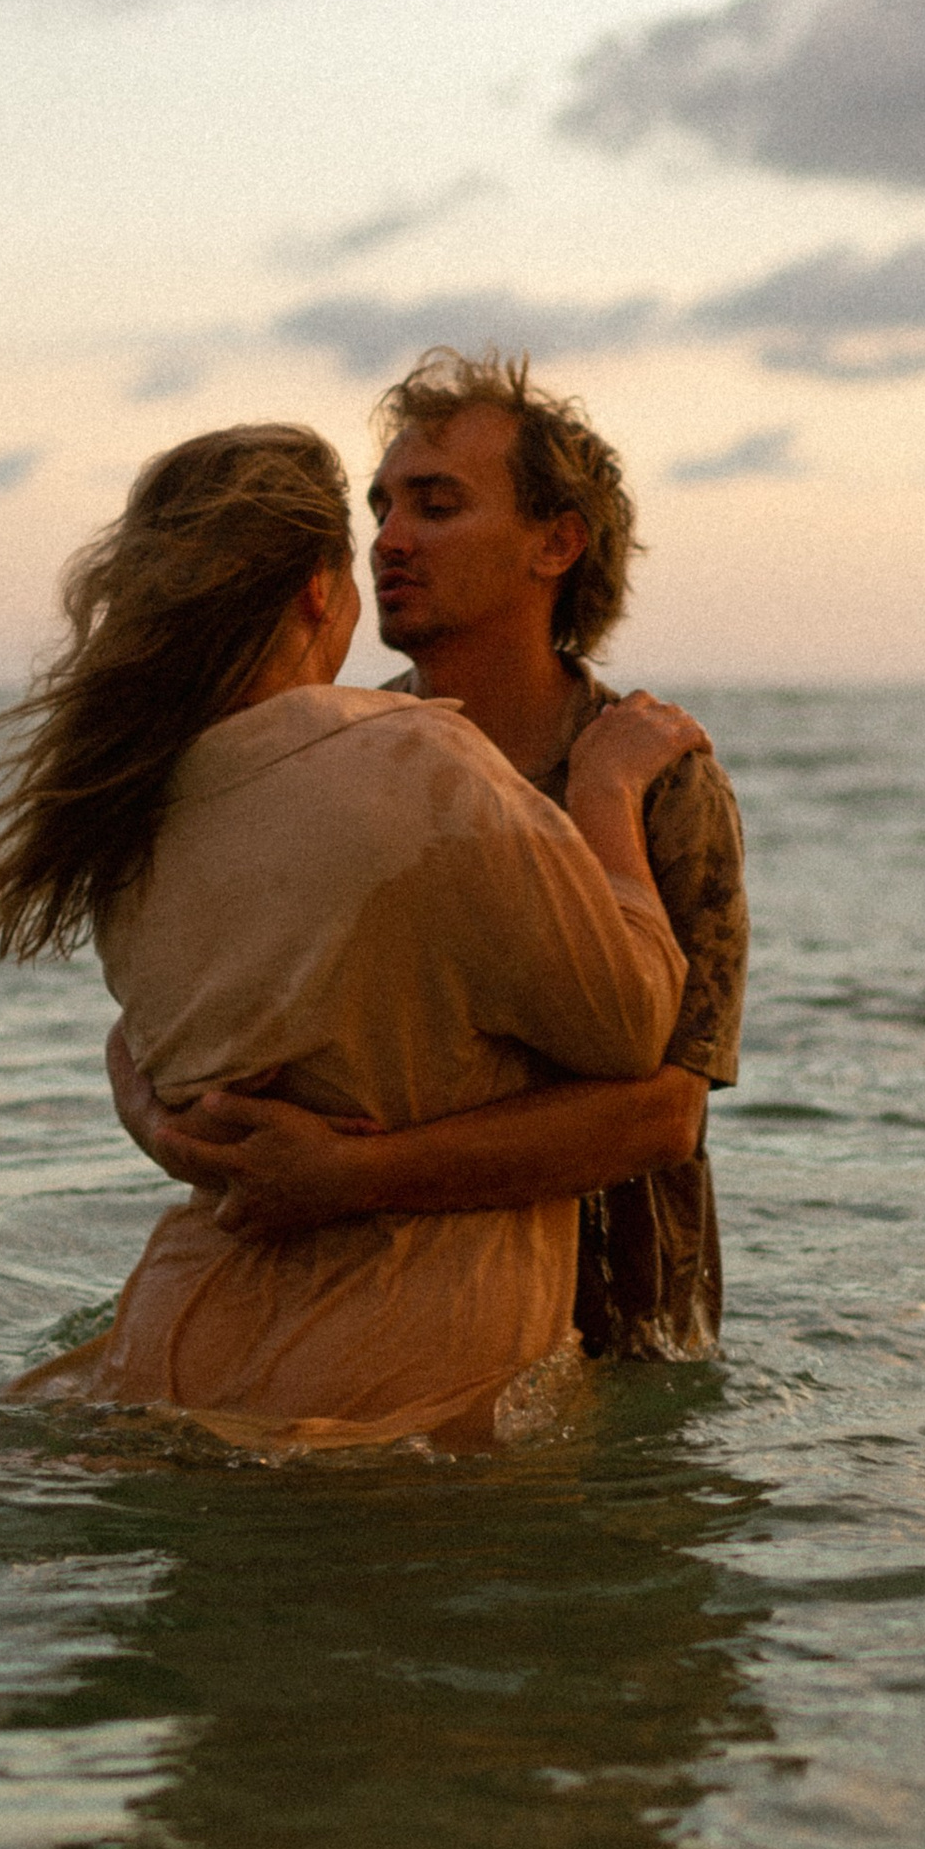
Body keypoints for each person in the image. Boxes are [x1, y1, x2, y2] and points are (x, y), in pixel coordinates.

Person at [0, 419, 701, 1451]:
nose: (393, 543)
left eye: (434, 506)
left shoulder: (123, 799)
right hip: (392, 1372)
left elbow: (169, 1045)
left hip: (171, 1342)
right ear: (318, 591)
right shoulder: (418, 760)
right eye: (370, 529)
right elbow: (632, 1025)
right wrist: (607, 793)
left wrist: (145, 1109)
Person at [114, 350, 748, 1360]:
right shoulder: (340, 757)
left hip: (617, 1332)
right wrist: (165, 1123)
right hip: (349, 1326)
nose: (389, 540)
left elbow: (663, 1117)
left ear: (557, 543)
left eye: (437, 506)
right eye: (381, 509)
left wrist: (356, 1176)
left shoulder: (656, 778)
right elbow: (202, 1003)